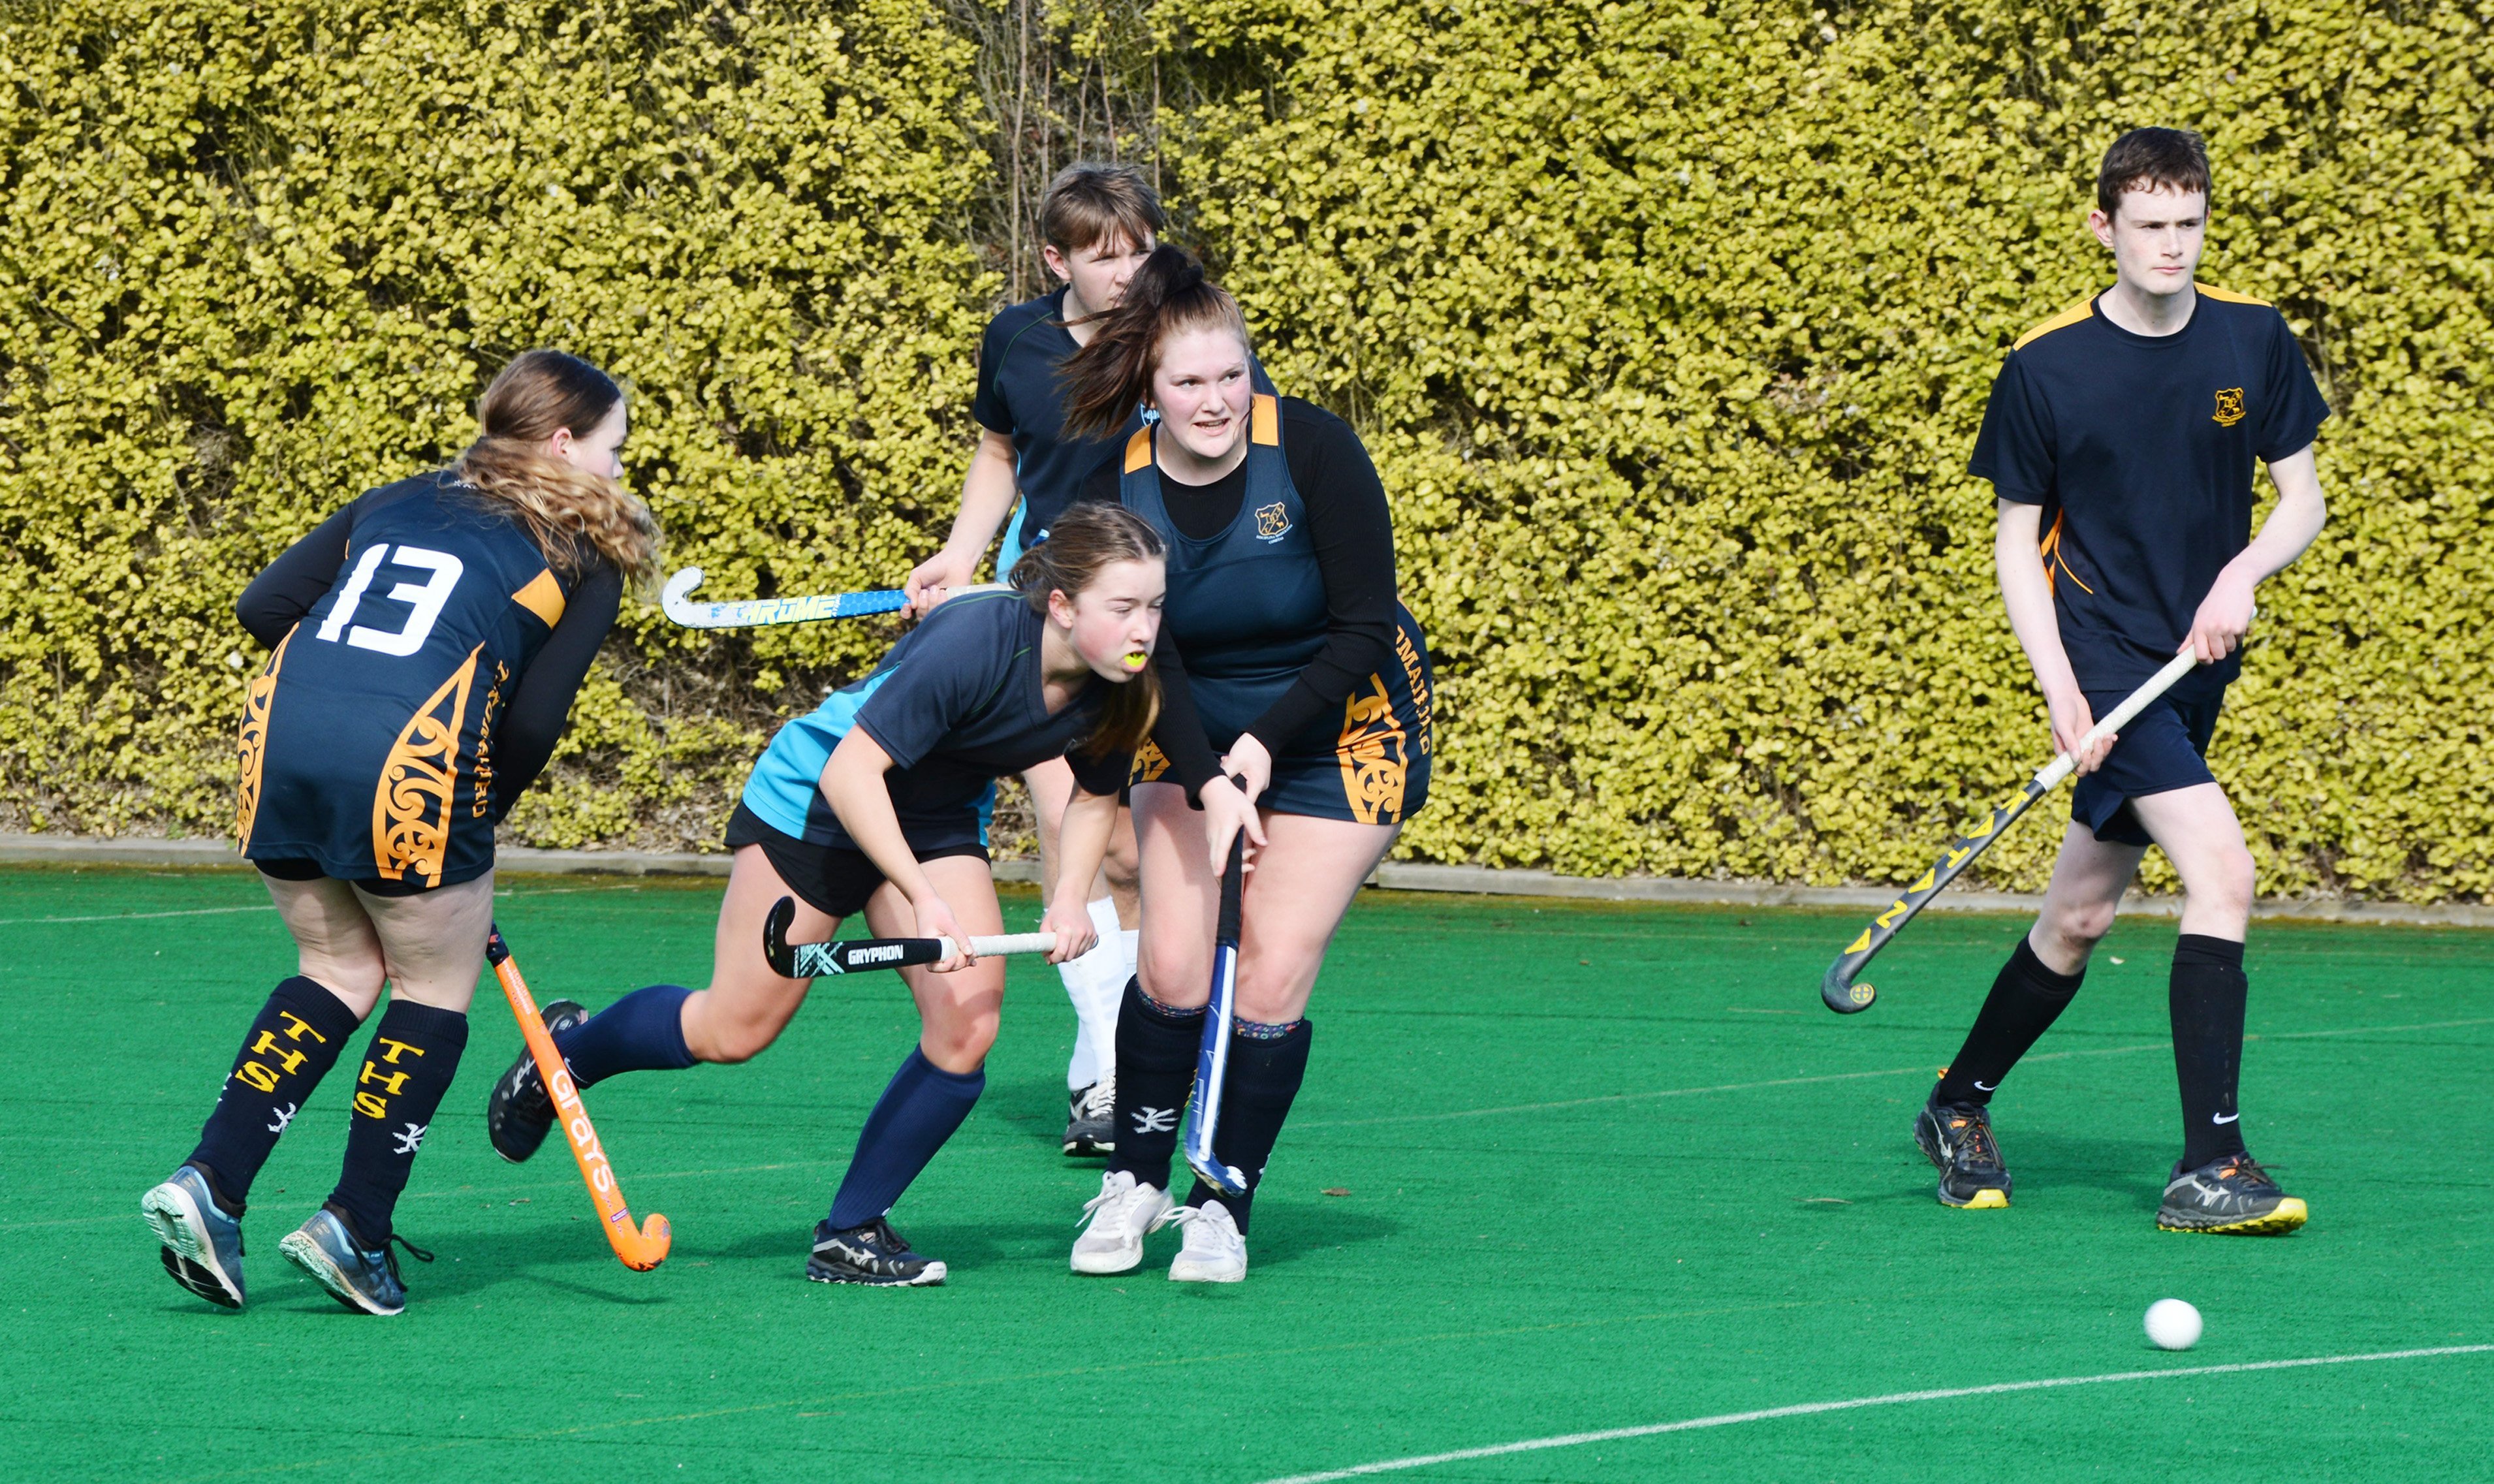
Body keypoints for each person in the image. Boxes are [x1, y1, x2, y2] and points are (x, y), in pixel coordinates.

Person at [484, 503, 1175, 1286]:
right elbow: (852, 773)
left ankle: (849, 1230)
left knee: (967, 1029)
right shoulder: (974, 641)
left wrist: (1068, 900)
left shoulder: (1121, 683)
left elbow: (1090, 795)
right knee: (732, 1028)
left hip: (933, 816)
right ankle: (563, 1054)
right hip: (815, 801)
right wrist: (922, 897)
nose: (1144, 627)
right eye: (1123, 607)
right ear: (1062, 604)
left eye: (1153, 605)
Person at [140, 349, 661, 1315]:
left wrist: (348, 688)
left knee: (334, 971)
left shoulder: (398, 494)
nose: (621, 469)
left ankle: (212, 1183)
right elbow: (537, 722)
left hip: (282, 734)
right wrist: (472, 827)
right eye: (614, 447)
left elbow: (263, 607)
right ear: (562, 443)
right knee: (431, 986)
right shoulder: (585, 545)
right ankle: (355, 1227)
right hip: (410, 763)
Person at [1918, 128, 2328, 1233]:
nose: (2172, 247)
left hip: (2196, 657)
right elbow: (2015, 542)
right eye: (2149, 226)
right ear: (2104, 227)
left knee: (2083, 911)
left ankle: (1957, 1102)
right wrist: (2060, 684)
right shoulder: (2045, 365)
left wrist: (2242, 573)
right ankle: (2213, 1165)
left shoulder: (2253, 341)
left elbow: (2302, 500)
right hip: (2101, 654)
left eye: (2188, 225)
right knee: (2224, 875)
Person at [1055, 246, 1434, 1283]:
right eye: (1189, 382)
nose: (1216, 400)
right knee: (1172, 967)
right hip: (1187, 726)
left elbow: (1362, 624)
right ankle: (1134, 1182)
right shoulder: (1115, 481)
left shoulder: (1314, 449)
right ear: (1151, 388)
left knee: (1267, 970)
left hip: (1343, 729)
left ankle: (1223, 1199)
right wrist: (1211, 772)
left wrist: (1263, 750)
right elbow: (1145, 651)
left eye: (1232, 375)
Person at [903, 162, 1162, 1158]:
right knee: (1069, 816)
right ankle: (1103, 1064)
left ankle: (1122, 1049)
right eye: (1103, 258)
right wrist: (962, 555)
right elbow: (999, 455)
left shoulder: (1179, 335)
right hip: (1051, 605)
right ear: (1055, 258)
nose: (1127, 274)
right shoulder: (1016, 337)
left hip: (1150, 608)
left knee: (1135, 852)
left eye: (1140, 250)